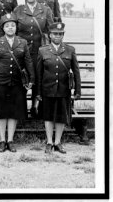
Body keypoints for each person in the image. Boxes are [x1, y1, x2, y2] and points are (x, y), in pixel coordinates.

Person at [0, 13, 35, 153]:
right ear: (3, 28)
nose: (10, 28)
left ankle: (10, 140)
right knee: (1, 111)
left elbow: (28, 62)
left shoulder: (23, 42)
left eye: (12, 25)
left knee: (14, 112)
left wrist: (31, 79)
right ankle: (2, 140)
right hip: (0, 81)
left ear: (16, 27)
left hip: (17, 82)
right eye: (7, 26)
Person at [36, 21, 81, 154]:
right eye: (55, 34)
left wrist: (78, 90)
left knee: (61, 117)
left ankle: (58, 142)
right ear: (50, 35)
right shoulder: (42, 50)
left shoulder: (70, 50)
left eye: (60, 34)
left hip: (63, 89)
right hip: (47, 89)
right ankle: (49, 141)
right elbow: (39, 74)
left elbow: (76, 71)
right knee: (48, 116)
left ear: (63, 35)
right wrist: (38, 92)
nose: (58, 36)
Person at [13, 0, 53, 112]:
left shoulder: (45, 9)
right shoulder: (18, 10)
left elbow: (50, 29)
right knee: (22, 77)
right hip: (21, 51)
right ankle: (21, 109)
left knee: (38, 77)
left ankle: (37, 108)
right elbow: (12, 29)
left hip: (39, 50)